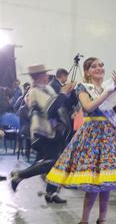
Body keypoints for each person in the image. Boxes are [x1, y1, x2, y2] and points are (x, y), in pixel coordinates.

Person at [46, 57, 116, 224]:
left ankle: (102, 219)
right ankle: (84, 220)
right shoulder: (83, 88)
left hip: (110, 134)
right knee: (93, 183)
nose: (99, 68)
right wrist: (106, 92)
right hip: (92, 135)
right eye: (94, 66)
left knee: (106, 182)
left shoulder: (108, 87)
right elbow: (88, 107)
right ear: (87, 71)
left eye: (101, 65)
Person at [10, 64, 74, 203]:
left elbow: (60, 105)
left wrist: (68, 95)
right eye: (44, 74)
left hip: (54, 131)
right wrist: (63, 93)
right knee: (51, 162)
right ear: (38, 76)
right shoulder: (34, 92)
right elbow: (51, 107)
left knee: (56, 163)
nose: (47, 76)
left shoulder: (48, 88)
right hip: (42, 132)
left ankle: (51, 193)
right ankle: (20, 175)